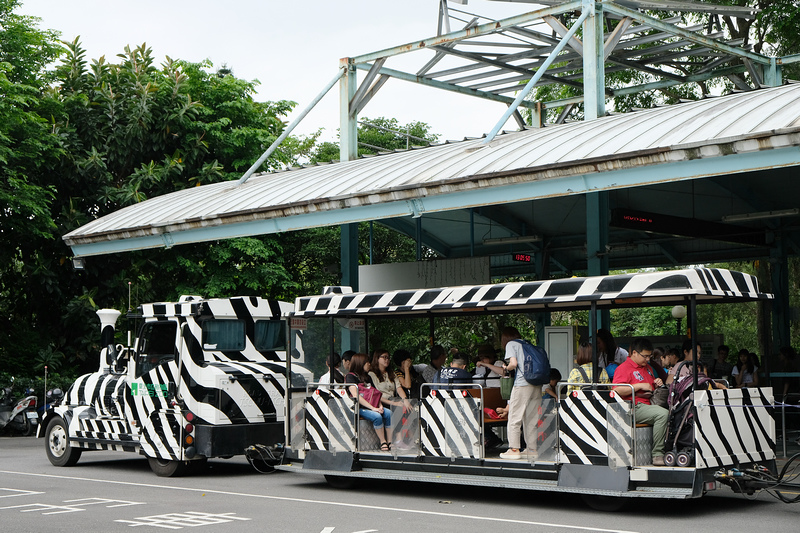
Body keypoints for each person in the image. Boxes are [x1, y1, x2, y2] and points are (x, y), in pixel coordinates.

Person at [612, 337, 669, 466]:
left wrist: (657, 382)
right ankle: (658, 454)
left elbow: (650, 387)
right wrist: (638, 386)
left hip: (649, 405)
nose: (648, 359)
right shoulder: (623, 368)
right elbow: (616, 390)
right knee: (663, 414)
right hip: (632, 407)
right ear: (634, 353)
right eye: (645, 356)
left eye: (649, 356)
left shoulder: (647, 368)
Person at [498, 327, 542, 461]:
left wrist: (506, 368)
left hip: (522, 384)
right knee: (531, 418)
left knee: (514, 416)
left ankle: (514, 449)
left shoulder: (511, 344)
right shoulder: (527, 344)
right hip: (536, 384)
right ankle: (532, 449)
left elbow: (514, 363)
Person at [345, 353, 393, 451]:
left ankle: (390, 441)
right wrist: (373, 408)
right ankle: (383, 441)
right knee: (377, 416)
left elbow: (376, 393)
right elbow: (356, 395)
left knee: (389, 413)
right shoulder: (350, 377)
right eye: (367, 362)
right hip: (359, 408)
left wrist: (380, 406)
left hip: (373, 406)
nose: (369, 365)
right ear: (361, 363)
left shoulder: (367, 377)